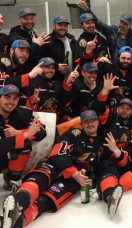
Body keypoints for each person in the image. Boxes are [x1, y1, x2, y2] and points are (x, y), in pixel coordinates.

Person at [1, 97, 123, 228]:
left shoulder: (103, 141)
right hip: (56, 165)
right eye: (86, 122)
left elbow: (103, 165)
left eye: (93, 121)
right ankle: (18, 203)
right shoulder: (74, 134)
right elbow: (56, 153)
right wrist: (74, 172)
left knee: (47, 200)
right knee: (39, 178)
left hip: (76, 178)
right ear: (81, 124)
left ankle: (16, 223)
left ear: (98, 123)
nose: (90, 124)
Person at [90, 84, 132, 219]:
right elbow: (97, 109)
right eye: (122, 108)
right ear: (117, 109)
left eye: (128, 109)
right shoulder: (109, 121)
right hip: (110, 161)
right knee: (109, 169)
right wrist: (104, 91)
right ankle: (110, 197)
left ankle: (107, 188)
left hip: (127, 162)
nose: (125, 111)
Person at [0, 84, 46, 191]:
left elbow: (42, 131)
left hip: (8, 155)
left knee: (25, 144)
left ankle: (12, 179)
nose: (11, 102)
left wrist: (19, 132)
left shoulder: (23, 112)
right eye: (7, 97)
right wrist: (25, 134)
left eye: (15, 99)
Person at [77, 0, 132, 65]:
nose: (121, 25)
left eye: (125, 24)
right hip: (113, 66)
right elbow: (97, 23)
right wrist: (86, 8)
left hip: (128, 66)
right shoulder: (112, 31)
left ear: (130, 25)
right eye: (121, 22)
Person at [8, 8, 50, 73]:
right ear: (19, 20)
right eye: (26, 19)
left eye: (31, 18)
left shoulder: (33, 35)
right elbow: (19, 58)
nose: (30, 21)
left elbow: (36, 56)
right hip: (21, 75)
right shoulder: (14, 36)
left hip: (34, 74)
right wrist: (35, 45)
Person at [40, 15, 77, 83]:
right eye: (60, 25)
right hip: (54, 82)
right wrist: (56, 67)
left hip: (71, 81)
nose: (63, 28)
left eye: (65, 25)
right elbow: (39, 61)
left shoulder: (72, 40)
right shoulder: (47, 41)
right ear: (54, 25)